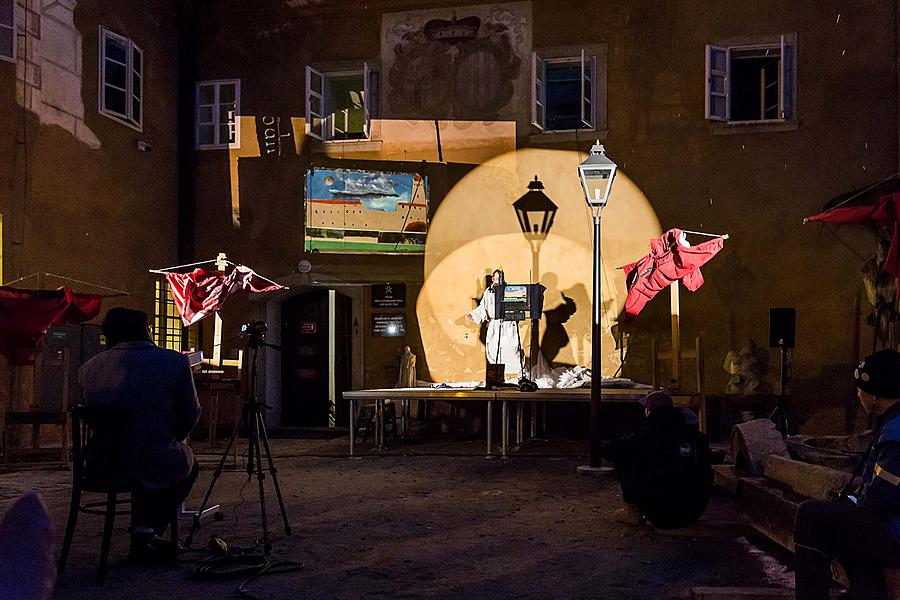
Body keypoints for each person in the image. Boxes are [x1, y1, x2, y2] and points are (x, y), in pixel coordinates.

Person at [78, 307, 201, 560]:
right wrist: (174, 438)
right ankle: (147, 532)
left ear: (109, 335)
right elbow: (191, 412)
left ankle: (144, 532)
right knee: (184, 464)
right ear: (147, 331)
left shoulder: (89, 368)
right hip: (154, 456)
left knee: (146, 459)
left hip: (101, 464)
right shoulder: (174, 362)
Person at [794, 348, 900, 600]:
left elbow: (884, 496)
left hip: (896, 531)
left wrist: (855, 502)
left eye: (860, 389)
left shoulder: (895, 434)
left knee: (811, 516)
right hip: (893, 523)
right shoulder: (893, 424)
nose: (858, 395)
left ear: (875, 396)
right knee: (846, 519)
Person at [601, 390, 712, 528]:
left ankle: (632, 512)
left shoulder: (642, 438)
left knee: (625, 457)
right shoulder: (697, 438)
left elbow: (610, 452)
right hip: (693, 512)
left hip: (659, 515)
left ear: (648, 411)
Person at [466, 268, 523, 376]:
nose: (499, 280)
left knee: (511, 348)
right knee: (494, 349)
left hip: (507, 325)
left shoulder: (509, 290)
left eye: (501, 278)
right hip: (495, 325)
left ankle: (517, 375)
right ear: (493, 279)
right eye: (496, 278)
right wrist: (473, 314)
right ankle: (497, 377)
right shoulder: (488, 292)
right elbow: (483, 307)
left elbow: (517, 305)